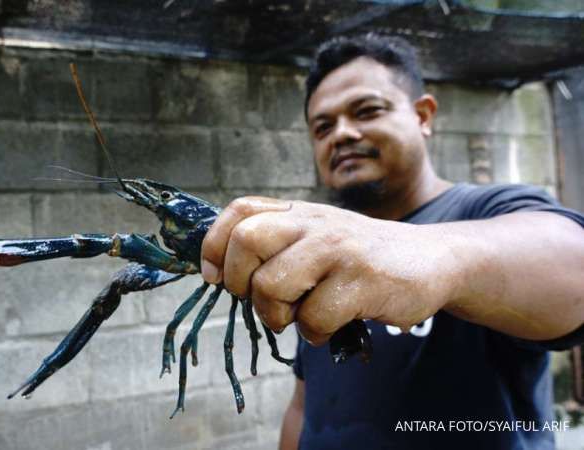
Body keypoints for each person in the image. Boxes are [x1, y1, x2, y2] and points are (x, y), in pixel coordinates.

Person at [200, 34, 584, 449]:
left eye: (367, 111)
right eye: (322, 127)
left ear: (423, 115)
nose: (342, 134)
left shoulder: (492, 208)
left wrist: (428, 256)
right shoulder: (322, 249)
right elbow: (305, 401)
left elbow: (572, 263)